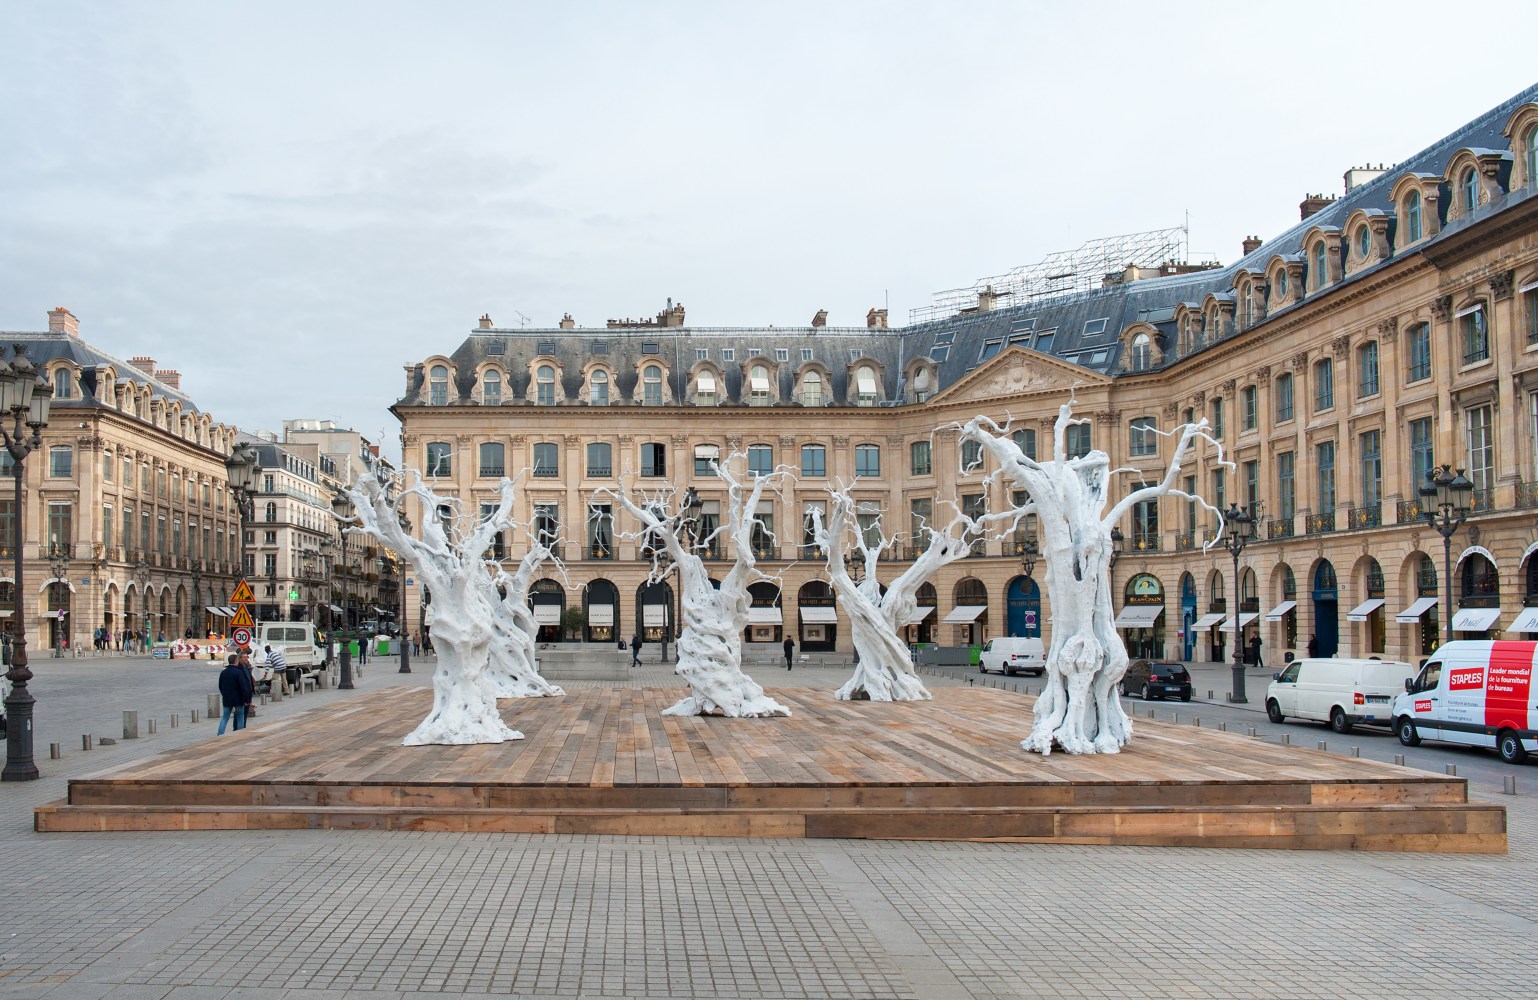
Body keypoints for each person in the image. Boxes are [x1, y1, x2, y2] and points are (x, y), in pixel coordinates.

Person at [217, 653, 254, 734]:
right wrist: (247, 699)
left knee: (225, 717)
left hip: (227, 699)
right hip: (238, 699)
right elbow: (243, 686)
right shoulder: (238, 672)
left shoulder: (223, 672)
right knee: (240, 716)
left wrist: (225, 694)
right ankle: (239, 734)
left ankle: (220, 733)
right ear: (236, 661)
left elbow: (220, 686)